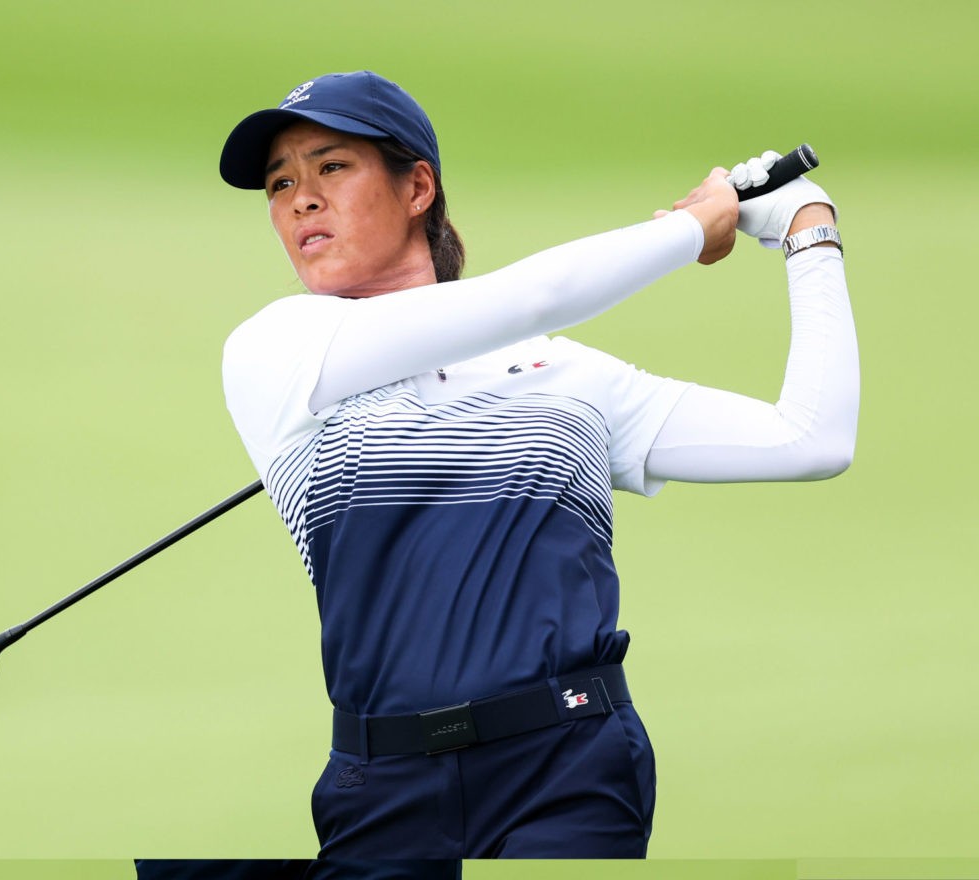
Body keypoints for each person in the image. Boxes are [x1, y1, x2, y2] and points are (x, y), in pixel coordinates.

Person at [211, 71, 856, 862]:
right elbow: (532, 296)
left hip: (570, 763)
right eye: (281, 184)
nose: (301, 199)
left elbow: (811, 439)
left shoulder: (568, 379)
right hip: (382, 782)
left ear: (417, 187)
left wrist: (808, 231)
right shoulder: (274, 349)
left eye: (331, 167)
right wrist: (696, 230)